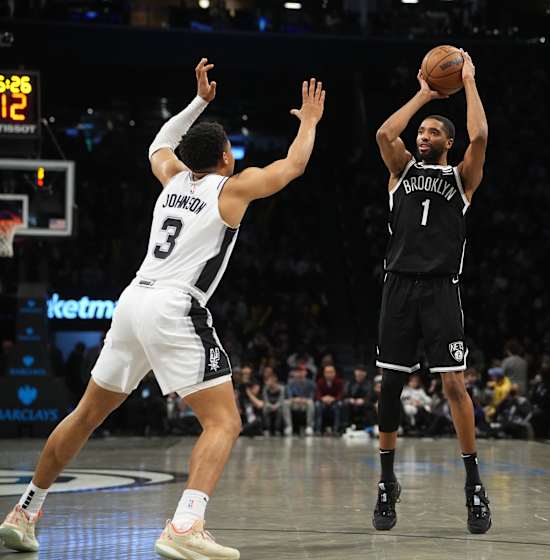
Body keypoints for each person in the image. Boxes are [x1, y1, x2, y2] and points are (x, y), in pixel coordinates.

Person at [0, 59, 325, 560]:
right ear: (224, 157)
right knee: (224, 423)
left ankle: (23, 513)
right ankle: (185, 524)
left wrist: (198, 102)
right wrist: (308, 122)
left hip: (133, 301)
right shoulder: (230, 189)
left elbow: (158, 144)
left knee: (85, 414)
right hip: (175, 306)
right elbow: (293, 166)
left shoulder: (172, 178)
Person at [372, 49, 491, 533]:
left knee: (453, 385)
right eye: (421, 131)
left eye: (433, 132)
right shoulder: (400, 171)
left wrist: (469, 80)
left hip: (442, 290)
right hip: (398, 287)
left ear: (447, 142)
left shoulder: (461, 178)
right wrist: (424, 93)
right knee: (390, 387)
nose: (422, 136)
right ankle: (385, 482)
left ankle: (473, 483)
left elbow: (480, 134)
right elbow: (384, 133)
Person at [284, 366, 316, 435]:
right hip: (295, 403)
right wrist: (295, 399)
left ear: (306, 373)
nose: (300, 373)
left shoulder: (311, 383)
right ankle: (289, 426)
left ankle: (309, 426)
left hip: (305, 404)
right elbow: (289, 395)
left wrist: (304, 400)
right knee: (286, 403)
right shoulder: (291, 383)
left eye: (302, 371)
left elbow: (312, 396)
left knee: (311, 403)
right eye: (299, 372)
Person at [314, 364, 344, 434]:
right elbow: (317, 394)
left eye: (331, 372)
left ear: (335, 373)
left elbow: (341, 394)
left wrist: (333, 399)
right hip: (322, 401)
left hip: (335, 401)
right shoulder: (320, 382)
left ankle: (336, 429)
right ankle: (318, 429)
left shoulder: (339, 382)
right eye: (327, 372)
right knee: (318, 406)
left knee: (339, 406)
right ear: (324, 373)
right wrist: (322, 399)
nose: (329, 374)